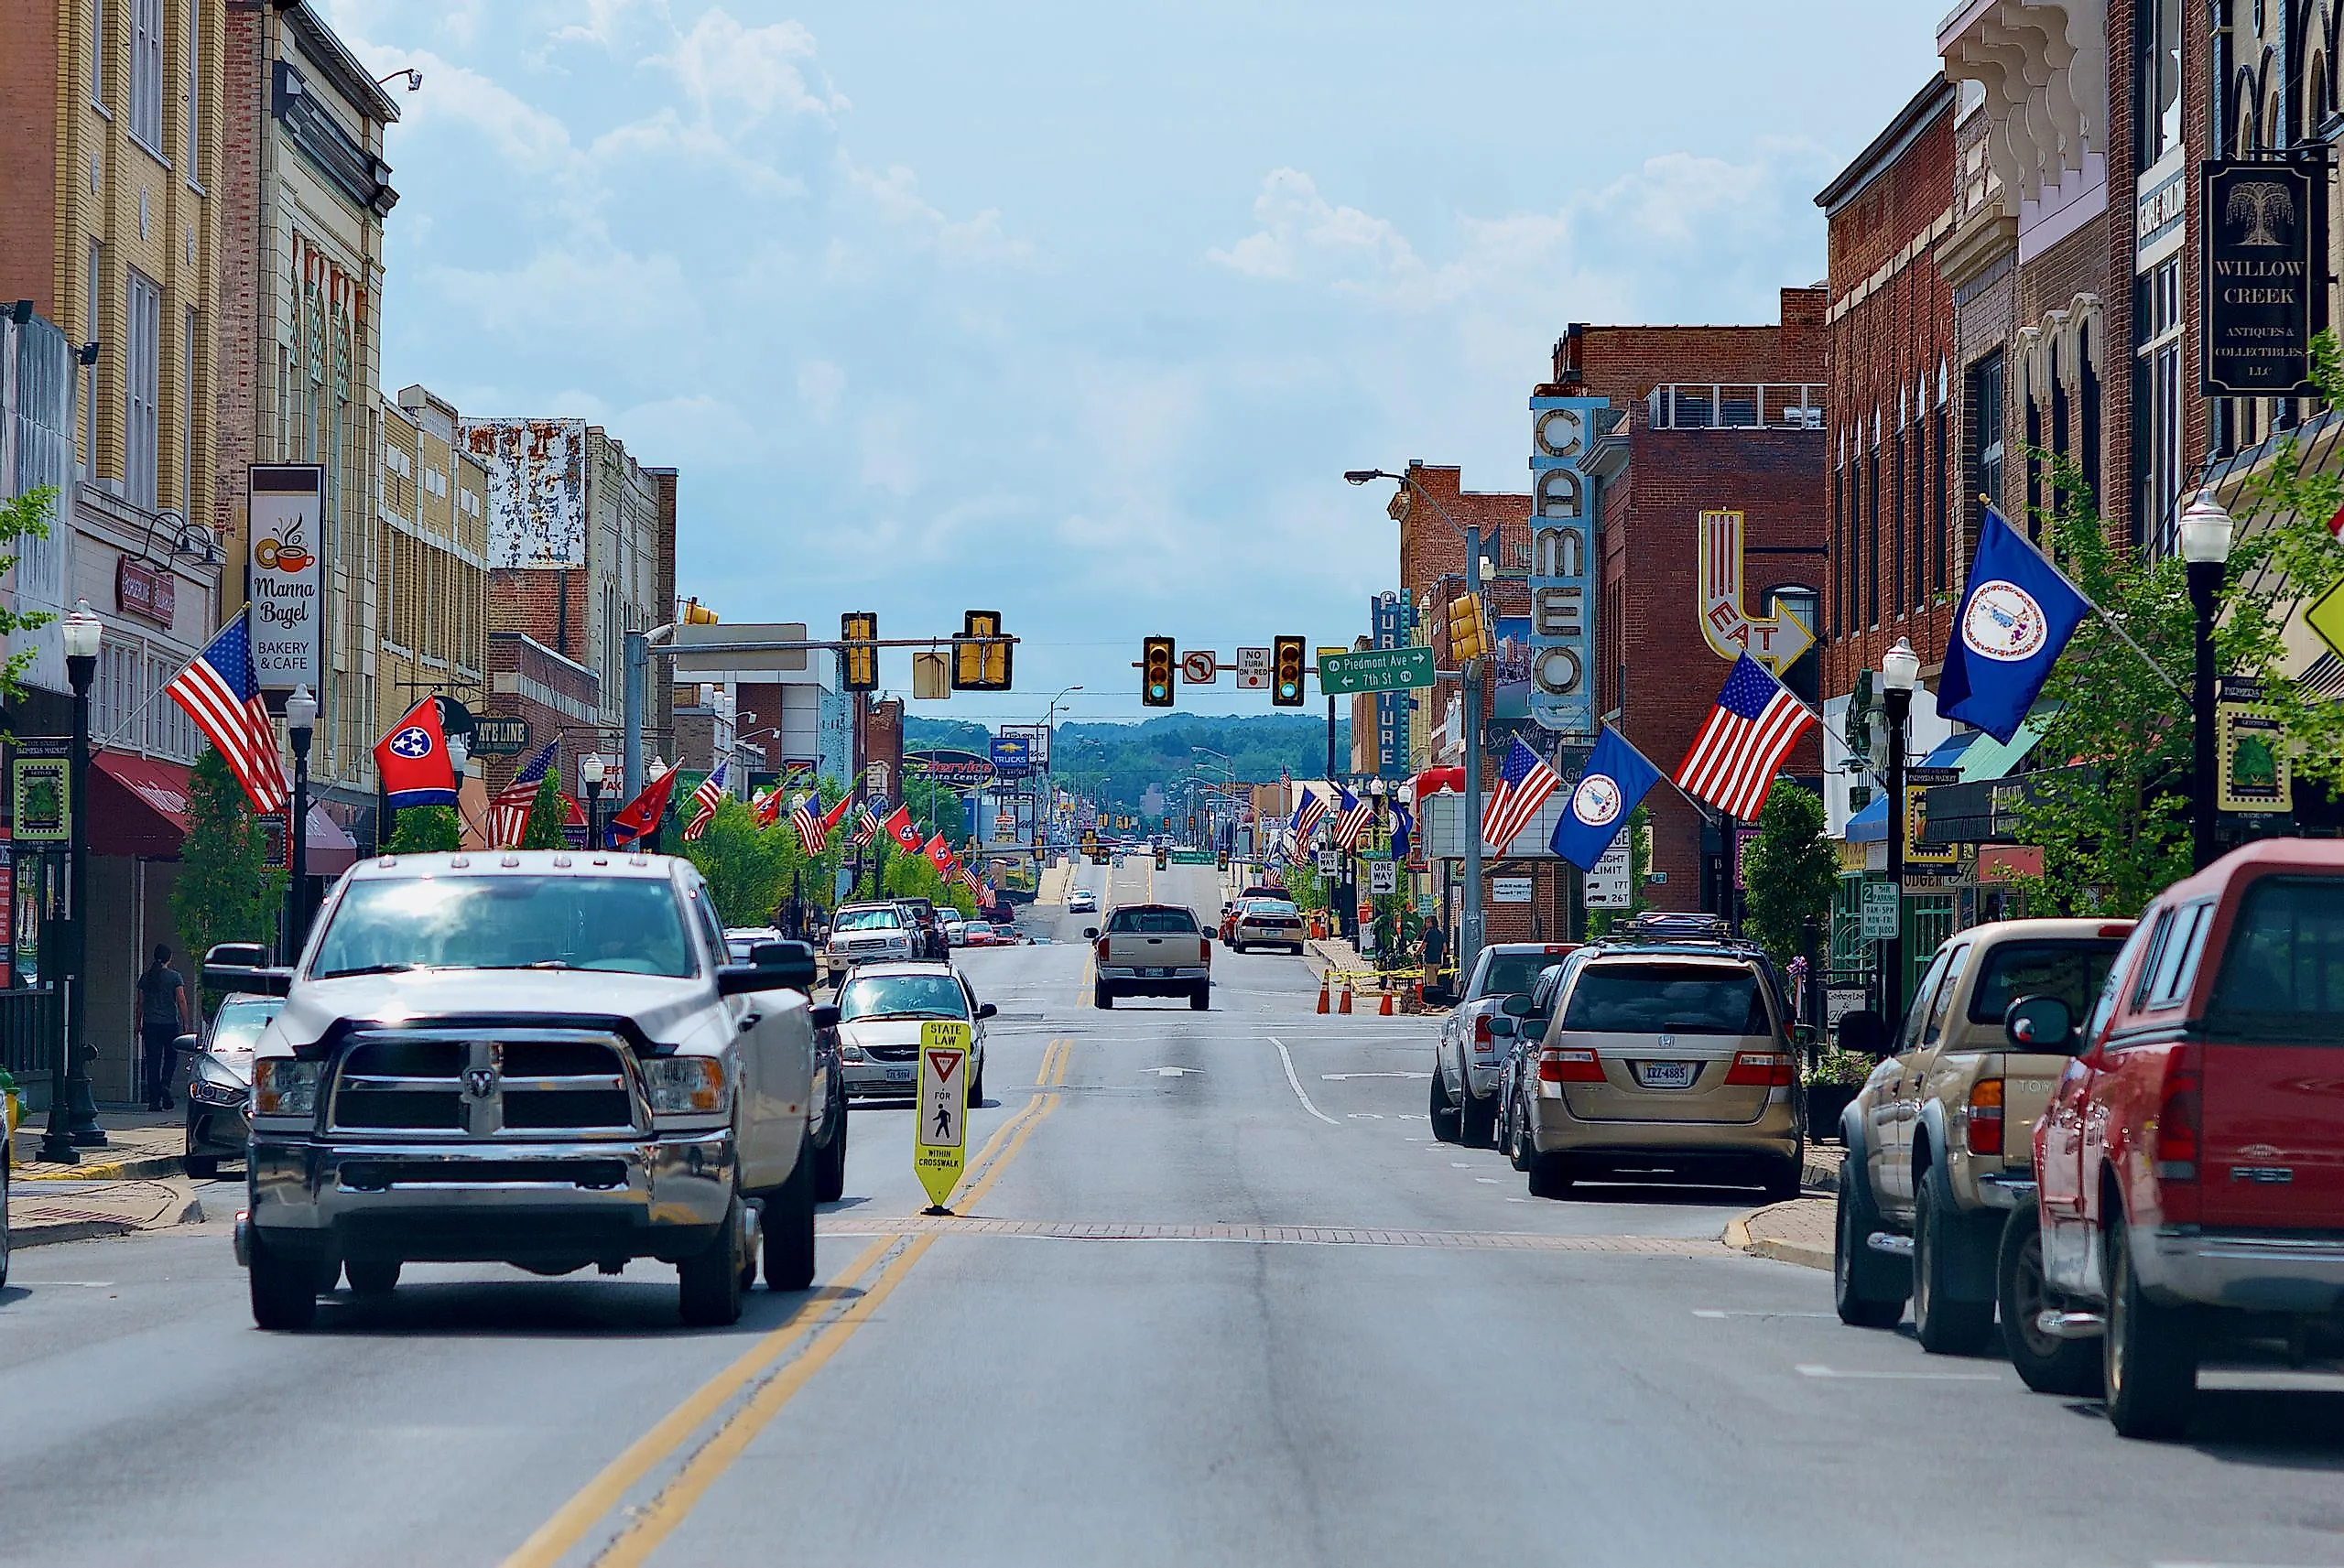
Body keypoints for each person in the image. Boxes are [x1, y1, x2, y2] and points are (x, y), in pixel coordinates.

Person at [137, 945, 190, 1112]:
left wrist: (137, 1022)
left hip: (150, 1024)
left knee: (152, 1061)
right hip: (169, 1025)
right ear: (169, 958)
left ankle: (154, 1101)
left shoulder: (146, 977)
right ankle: (165, 1084)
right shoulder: (175, 977)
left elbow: (140, 1003)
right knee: (170, 1058)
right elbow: (181, 1000)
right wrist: (186, 1023)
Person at [1419, 920, 1448, 998]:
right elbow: (1445, 948)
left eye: (1428, 922)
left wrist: (1417, 953)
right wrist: (1444, 958)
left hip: (1429, 961)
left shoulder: (1429, 933)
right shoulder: (1440, 933)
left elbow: (1424, 945)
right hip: (1438, 962)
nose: (1426, 924)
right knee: (1435, 980)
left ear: (1432, 923)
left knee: (1431, 983)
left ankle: (1432, 1003)